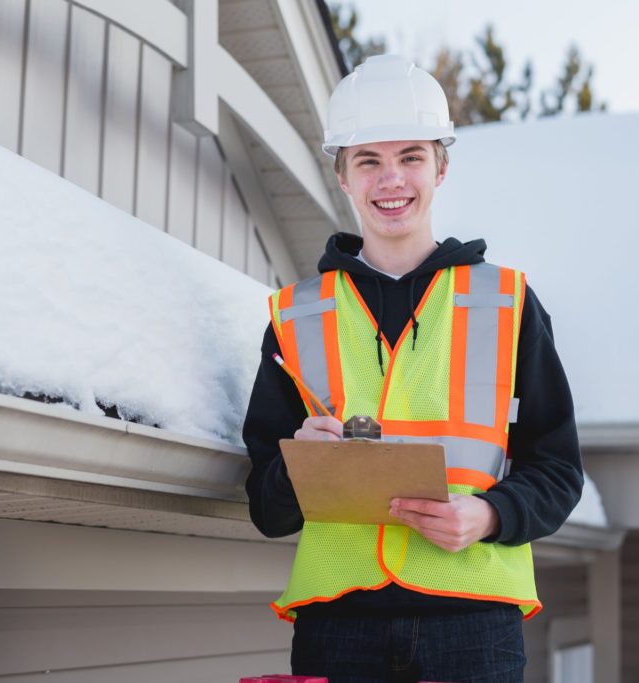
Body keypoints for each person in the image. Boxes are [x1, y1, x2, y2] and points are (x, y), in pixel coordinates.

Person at [242, 54, 583, 683]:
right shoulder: (295, 316)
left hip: (474, 626)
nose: (390, 179)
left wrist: (489, 515)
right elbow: (267, 506)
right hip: (337, 626)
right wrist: (298, 463)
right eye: (368, 160)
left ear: (442, 167)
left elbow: (558, 468)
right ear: (342, 176)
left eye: (411, 157)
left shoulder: (506, 303)